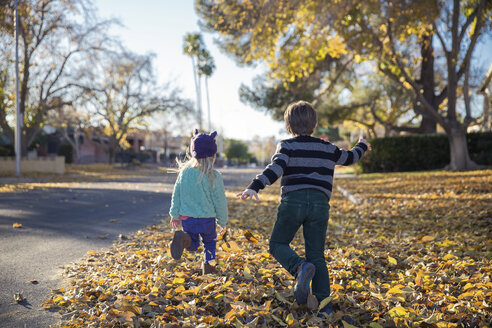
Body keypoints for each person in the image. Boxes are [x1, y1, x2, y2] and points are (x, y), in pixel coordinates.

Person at [236, 101, 371, 314]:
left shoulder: (287, 146)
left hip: (294, 203)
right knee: (316, 255)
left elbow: (276, 168)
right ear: (315, 125)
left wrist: (255, 186)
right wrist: (362, 144)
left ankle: (299, 267)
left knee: (277, 243)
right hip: (319, 205)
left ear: (288, 126)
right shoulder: (327, 148)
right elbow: (349, 157)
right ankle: (324, 306)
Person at [169, 129, 228, 275]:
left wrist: (174, 214)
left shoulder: (185, 172)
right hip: (207, 219)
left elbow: (177, 194)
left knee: (192, 244)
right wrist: (223, 221)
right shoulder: (214, 176)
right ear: (213, 156)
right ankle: (209, 269)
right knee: (209, 242)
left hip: (187, 218)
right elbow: (219, 200)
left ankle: (184, 238)